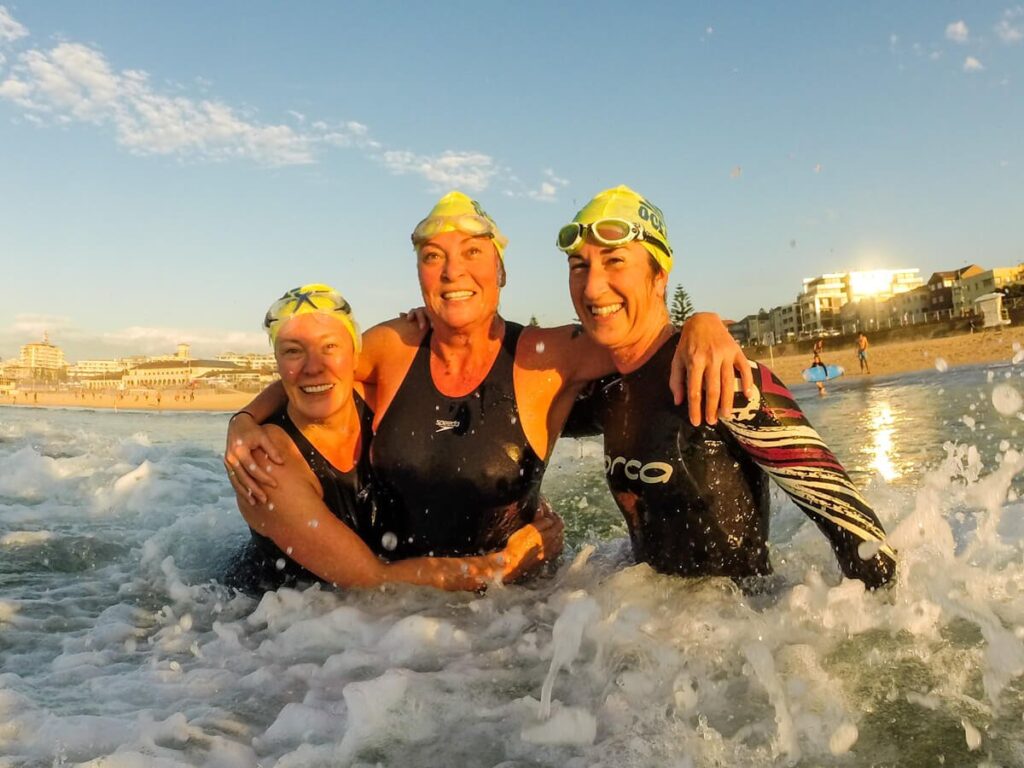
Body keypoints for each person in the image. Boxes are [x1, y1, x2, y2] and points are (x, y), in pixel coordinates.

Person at [225, 192, 753, 563]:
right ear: (420, 276)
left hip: (506, 620)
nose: (453, 272)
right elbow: (316, 371)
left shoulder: (550, 357)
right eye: (434, 258)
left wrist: (699, 324)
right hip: (380, 624)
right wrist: (245, 419)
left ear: (500, 271)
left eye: (473, 253)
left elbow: (636, 334)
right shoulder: (395, 345)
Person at [558, 186, 895, 588]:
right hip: (647, 631)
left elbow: (862, 540)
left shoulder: (725, 378)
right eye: (579, 266)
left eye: (615, 261)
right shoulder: (603, 391)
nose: (593, 287)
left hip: (745, 634)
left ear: (660, 277)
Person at [224, 283, 562, 593]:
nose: (314, 366)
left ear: (356, 353)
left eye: (330, 347)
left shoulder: (384, 393)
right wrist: (505, 565)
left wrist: (523, 505)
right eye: (293, 351)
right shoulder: (265, 464)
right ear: (278, 363)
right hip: (283, 623)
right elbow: (373, 581)